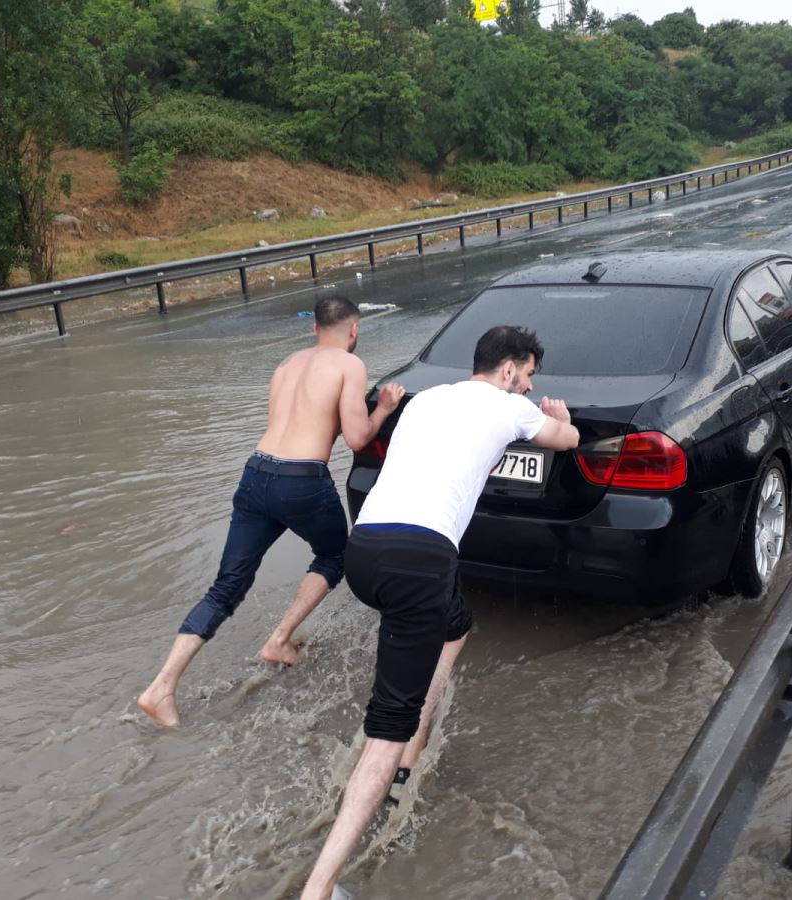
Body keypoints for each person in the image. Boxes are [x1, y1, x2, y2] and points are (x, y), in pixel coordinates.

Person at [300, 326, 580, 900]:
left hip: (366, 550)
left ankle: (413, 746)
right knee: (386, 728)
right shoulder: (511, 408)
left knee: (455, 625)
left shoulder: (427, 398)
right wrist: (560, 415)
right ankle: (320, 889)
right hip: (419, 561)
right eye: (528, 376)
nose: (530, 387)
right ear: (508, 370)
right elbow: (567, 440)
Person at [137, 295, 405, 728]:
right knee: (335, 555)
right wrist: (385, 408)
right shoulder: (349, 365)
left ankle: (161, 687)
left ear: (314, 328)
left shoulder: (286, 364)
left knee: (226, 586)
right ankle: (279, 640)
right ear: (354, 330)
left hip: (256, 473)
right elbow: (357, 437)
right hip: (301, 480)